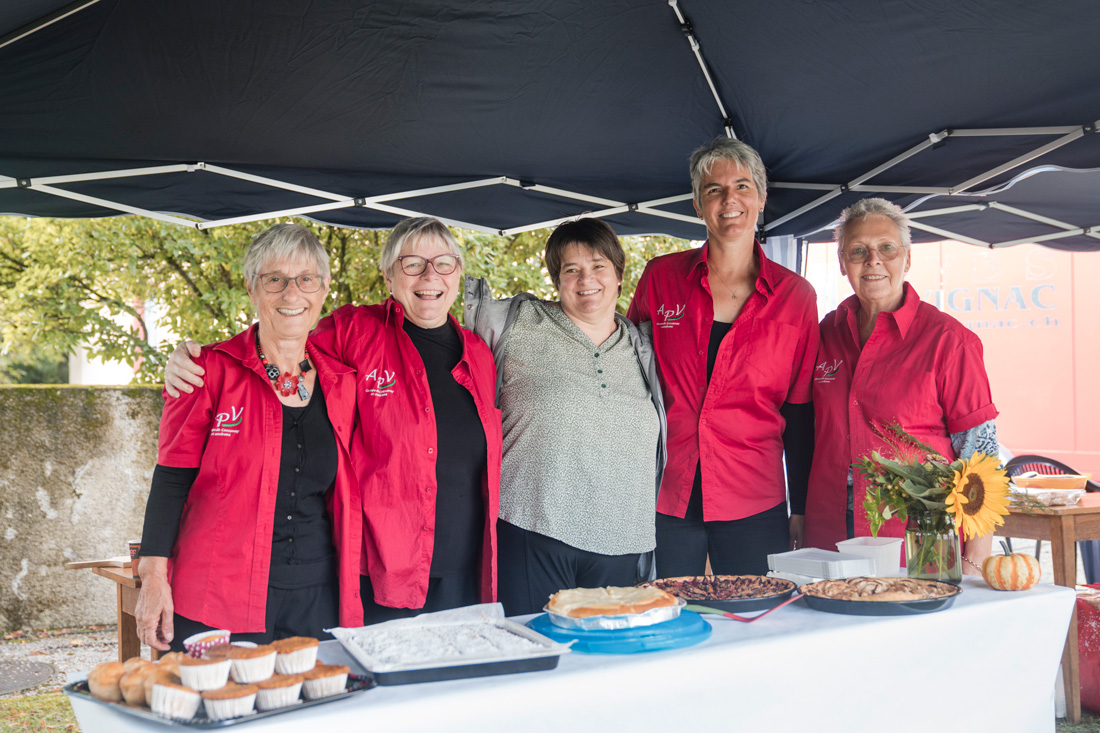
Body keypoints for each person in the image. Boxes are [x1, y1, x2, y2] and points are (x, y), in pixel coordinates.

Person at [165, 217, 503, 623]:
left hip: (465, 569)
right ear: (389, 276)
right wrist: (190, 358)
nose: (430, 275)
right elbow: (282, 336)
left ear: (458, 272)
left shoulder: (481, 354)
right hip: (381, 572)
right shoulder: (353, 331)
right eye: (412, 263)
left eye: (444, 263)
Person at [136, 223, 361, 651]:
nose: (291, 294)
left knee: (311, 716)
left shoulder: (343, 380)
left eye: (306, 279)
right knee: (220, 711)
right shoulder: (208, 371)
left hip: (317, 596)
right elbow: (170, 479)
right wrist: (152, 576)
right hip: (218, 593)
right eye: (274, 279)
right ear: (251, 288)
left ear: (324, 290)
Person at [627, 137, 819, 578]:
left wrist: (802, 506)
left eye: (742, 186)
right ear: (698, 205)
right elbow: (627, 376)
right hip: (665, 493)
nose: (729, 200)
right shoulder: (661, 278)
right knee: (668, 619)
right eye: (714, 190)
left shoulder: (796, 297)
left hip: (755, 497)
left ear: (761, 198)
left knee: (756, 621)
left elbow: (800, 411)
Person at [465, 218, 666, 615]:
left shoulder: (643, 345)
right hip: (534, 529)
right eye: (570, 269)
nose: (585, 279)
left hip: (623, 540)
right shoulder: (520, 324)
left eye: (598, 266)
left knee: (608, 666)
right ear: (557, 280)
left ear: (619, 274)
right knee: (537, 656)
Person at [802, 198, 998, 573]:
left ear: (907, 259)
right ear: (843, 263)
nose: (873, 260)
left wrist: (975, 561)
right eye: (858, 250)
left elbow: (981, 457)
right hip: (828, 536)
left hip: (918, 538)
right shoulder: (823, 334)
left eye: (887, 248)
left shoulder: (949, 341)